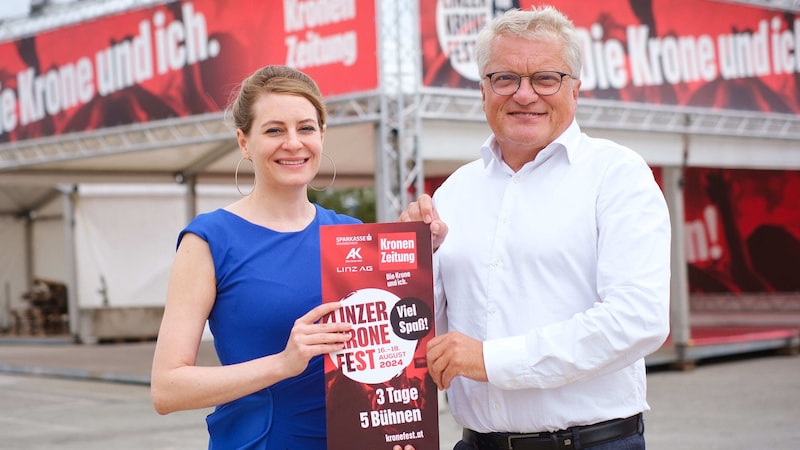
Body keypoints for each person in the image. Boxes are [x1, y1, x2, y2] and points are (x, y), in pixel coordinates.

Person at [400, 6, 671, 450]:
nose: (525, 94)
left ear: (576, 90)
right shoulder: (453, 191)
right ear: (483, 90)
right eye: (505, 78)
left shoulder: (617, 175)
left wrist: (491, 360)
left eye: (546, 78)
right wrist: (413, 263)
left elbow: (638, 320)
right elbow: (425, 333)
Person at [150, 65, 414, 450]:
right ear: (244, 141)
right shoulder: (209, 240)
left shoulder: (350, 233)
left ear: (322, 135)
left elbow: (383, 357)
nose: (293, 143)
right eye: (274, 130)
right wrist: (282, 364)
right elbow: (167, 389)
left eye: (306, 128)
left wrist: (395, 434)